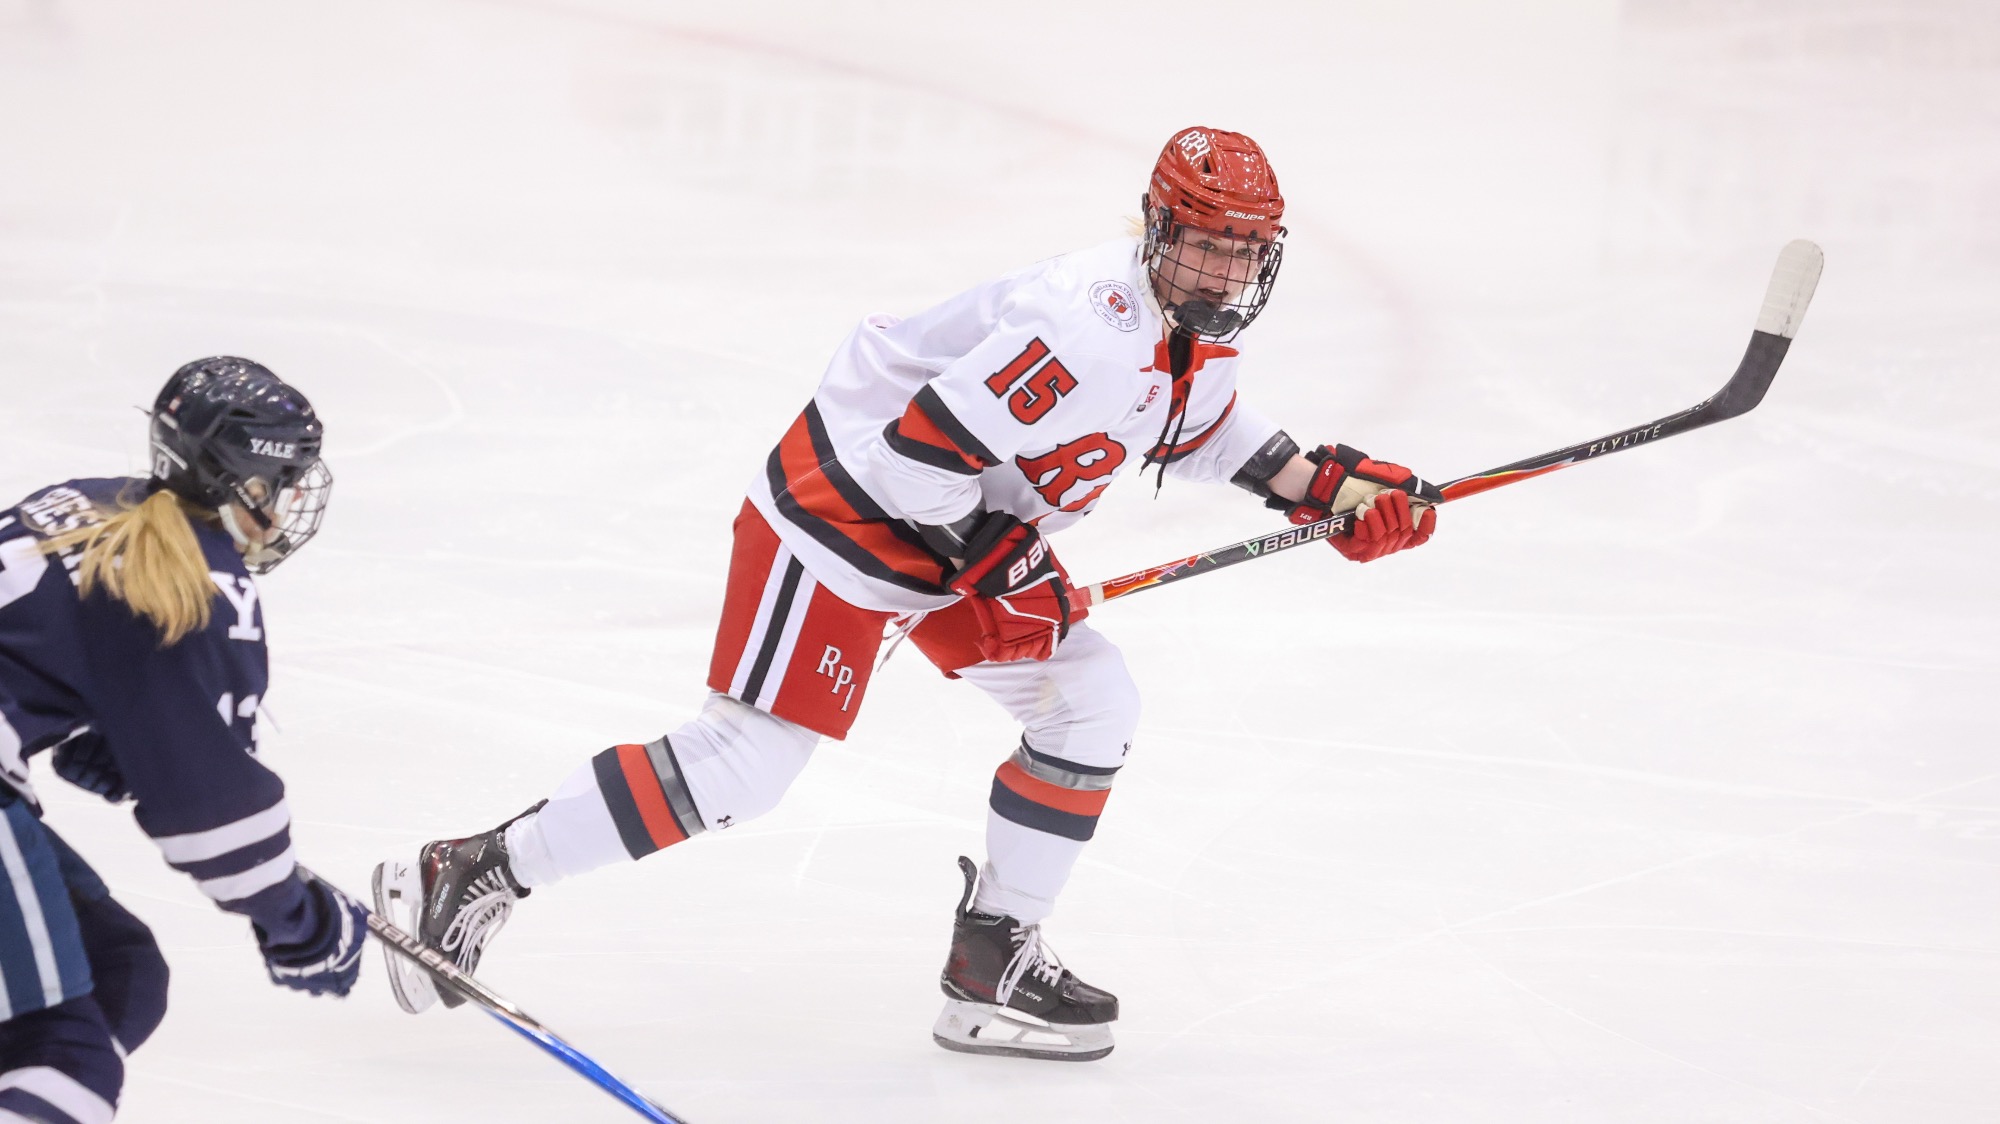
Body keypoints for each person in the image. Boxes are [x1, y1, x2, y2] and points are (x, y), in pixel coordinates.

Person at [375, 126, 1440, 1061]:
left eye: (1245, 251)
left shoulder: (1195, 324)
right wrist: (1008, 566)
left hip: (956, 531)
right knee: (746, 764)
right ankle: (468, 870)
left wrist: (1325, 484)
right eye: (1207, 243)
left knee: (1091, 702)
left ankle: (990, 961)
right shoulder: (1079, 323)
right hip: (841, 511)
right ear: (1158, 227)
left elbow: (1197, 427)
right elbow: (909, 460)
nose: (1222, 271)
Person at [0, 357, 369, 1121]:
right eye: (285, 482)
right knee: (60, 1054)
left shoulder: (83, 503)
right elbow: (217, 820)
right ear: (251, 486)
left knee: (114, 968)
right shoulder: (198, 582)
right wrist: (301, 919)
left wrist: (118, 726)